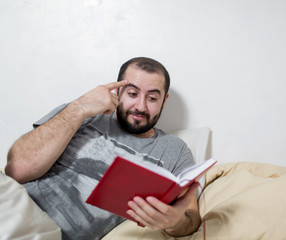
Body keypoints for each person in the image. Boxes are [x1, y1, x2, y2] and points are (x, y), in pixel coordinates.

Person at [5, 57, 201, 239]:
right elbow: (16, 170)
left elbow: (191, 218)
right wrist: (79, 107)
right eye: (132, 94)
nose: (140, 106)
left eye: (152, 98)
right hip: (12, 210)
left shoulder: (174, 150)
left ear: (163, 101)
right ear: (117, 92)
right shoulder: (81, 113)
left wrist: (175, 221)